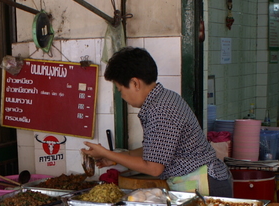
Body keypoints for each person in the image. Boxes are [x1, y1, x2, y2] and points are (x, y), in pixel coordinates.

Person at [83, 47, 232, 196]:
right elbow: (156, 149)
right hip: (201, 181)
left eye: (120, 89)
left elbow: (154, 168)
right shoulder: (164, 98)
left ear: (135, 83)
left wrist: (107, 154)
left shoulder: (160, 110)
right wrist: (116, 158)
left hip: (206, 185)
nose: (122, 95)